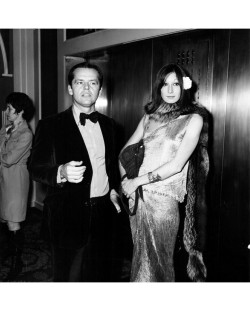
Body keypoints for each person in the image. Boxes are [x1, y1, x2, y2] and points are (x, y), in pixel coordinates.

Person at [28, 62, 121, 282]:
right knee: (68, 278)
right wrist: (60, 171)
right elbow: (34, 167)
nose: (86, 89)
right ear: (70, 88)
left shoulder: (111, 126)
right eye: (80, 82)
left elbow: (111, 167)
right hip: (66, 217)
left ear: (100, 89)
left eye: (93, 83)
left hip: (103, 214)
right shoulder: (50, 125)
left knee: (101, 276)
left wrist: (114, 191)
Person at [119, 63, 209, 282]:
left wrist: (136, 182)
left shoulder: (193, 119)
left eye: (175, 84)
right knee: (140, 261)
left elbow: (177, 165)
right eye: (165, 84)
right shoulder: (148, 118)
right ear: (158, 88)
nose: (170, 90)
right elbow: (124, 153)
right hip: (137, 199)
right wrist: (126, 184)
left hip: (163, 202)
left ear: (184, 87)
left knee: (158, 266)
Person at [0, 92, 34, 280]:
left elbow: (9, 159)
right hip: (4, 178)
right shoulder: (7, 128)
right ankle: (10, 252)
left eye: (10, 108)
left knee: (14, 220)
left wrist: (2, 150)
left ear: (20, 111)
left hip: (16, 180)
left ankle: (17, 261)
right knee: (5, 219)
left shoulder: (26, 134)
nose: (6, 111)